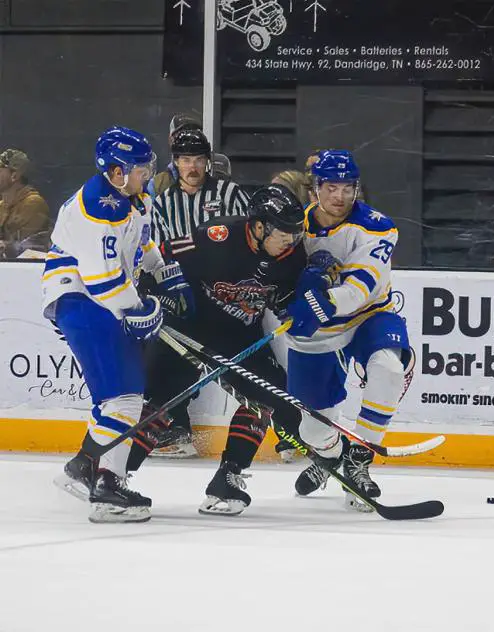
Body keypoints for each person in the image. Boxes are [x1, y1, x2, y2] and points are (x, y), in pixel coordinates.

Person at [44, 126, 194, 523]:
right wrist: (140, 308)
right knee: (124, 401)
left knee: (123, 399)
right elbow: (103, 280)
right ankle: (106, 490)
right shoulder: (97, 206)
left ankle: (86, 469)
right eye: (141, 167)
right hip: (82, 299)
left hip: (100, 302)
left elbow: (142, 241)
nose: (149, 173)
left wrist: (165, 272)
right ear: (115, 171)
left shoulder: (135, 196)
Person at [142, 184, 306, 514]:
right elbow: (156, 262)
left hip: (238, 335)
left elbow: (286, 296)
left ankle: (227, 479)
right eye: (285, 234)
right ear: (259, 227)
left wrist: (297, 311)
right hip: (191, 327)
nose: (292, 240)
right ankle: (111, 475)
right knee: (162, 400)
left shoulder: (292, 256)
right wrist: (158, 298)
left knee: (266, 395)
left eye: (296, 233)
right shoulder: (216, 237)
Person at [285, 150, 411, 512]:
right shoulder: (296, 226)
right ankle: (331, 454)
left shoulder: (378, 226)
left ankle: (359, 461)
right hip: (321, 330)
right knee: (312, 428)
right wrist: (296, 301)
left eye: (347, 188)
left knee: (388, 369)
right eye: (331, 188)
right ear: (314, 191)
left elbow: (361, 289)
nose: (339, 196)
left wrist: (323, 301)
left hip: (370, 316)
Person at [148, 127, 251, 456]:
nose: (192, 167)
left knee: (247, 365)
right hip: (183, 292)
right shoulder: (162, 202)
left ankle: (286, 426)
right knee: (176, 360)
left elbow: (248, 239)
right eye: (185, 160)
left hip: (227, 293)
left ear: (209, 162)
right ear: (175, 163)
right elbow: (157, 250)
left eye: (198, 160)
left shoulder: (230, 193)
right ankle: (178, 428)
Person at [0, 149, 51, 259]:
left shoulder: (33, 204)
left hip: (25, 269)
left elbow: (20, 247)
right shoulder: (2, 206)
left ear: (14, 175)